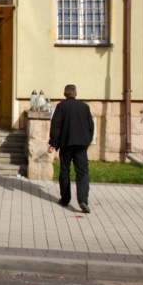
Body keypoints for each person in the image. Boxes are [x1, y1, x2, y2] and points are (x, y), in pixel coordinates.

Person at [47, 84, 94, 214]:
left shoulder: (61, 106)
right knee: (82, 173)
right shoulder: (84, 107)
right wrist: (87, 141)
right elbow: (91, 126)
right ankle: (83, 200)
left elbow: (56, 125)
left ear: (65, 94)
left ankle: (65, 199)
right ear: (76, 93)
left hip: (66, 145)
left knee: (65, 171)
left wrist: (53, 143)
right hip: (81, 146)